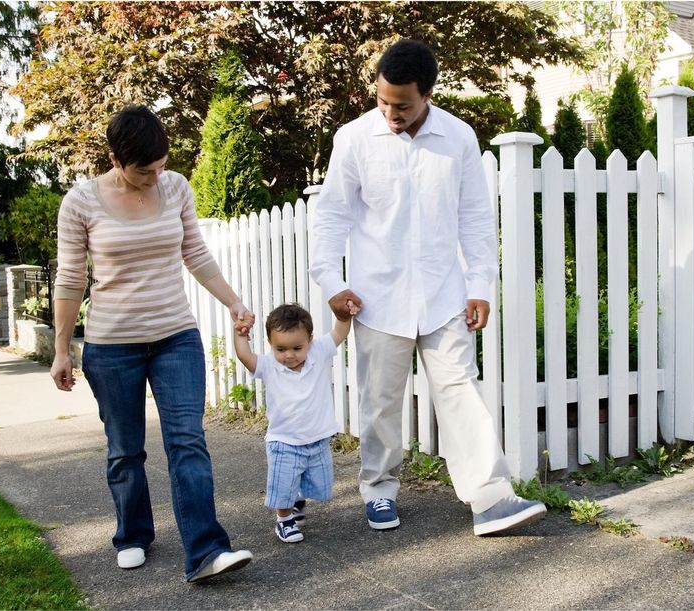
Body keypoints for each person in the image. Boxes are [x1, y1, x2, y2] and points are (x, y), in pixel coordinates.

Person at [309, 40, 546, 536]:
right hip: (377, 299)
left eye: (402, 104)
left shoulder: (458, 137)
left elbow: (476, 218)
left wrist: (480, 284)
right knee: (380, 401)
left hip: (443, 295)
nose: (391, 113)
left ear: (429, 94)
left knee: (462, 391)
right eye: (382, 101)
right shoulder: (353, 139)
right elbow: (330, 215)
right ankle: (378, 490)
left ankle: (491, 497)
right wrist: (332, 281)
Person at [49, 104, 253, 581]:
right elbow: (70, 278)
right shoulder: (80, 202)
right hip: (111, 344)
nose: (155, 177)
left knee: (188, 440)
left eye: (161, 165)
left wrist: (233, 302)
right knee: (125, 449)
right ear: (116, 160)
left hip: (175, 337)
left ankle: (206, 552)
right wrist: (61, 347)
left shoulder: (176, 186)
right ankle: (133, 533)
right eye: (145, 170)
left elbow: (195, 252)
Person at [232, 302, 355, 543]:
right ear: (270, 344)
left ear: (310, 339)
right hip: (284, 440)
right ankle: (284, 520)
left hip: (317, 439)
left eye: (297, 348)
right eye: (281, 349)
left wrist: (343, 312)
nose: (289, 355)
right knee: (282, 485)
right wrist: (240, 335)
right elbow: (245, 356)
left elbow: (340, 331)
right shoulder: (269, 365)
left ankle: (296, 497)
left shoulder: (318, 353)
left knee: (319, 483)